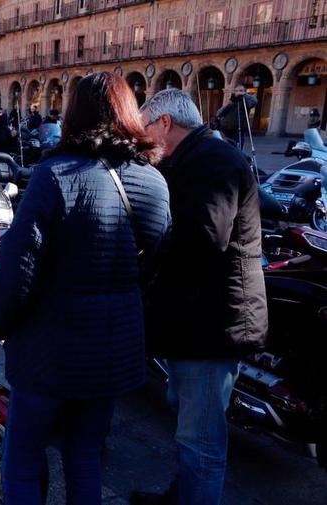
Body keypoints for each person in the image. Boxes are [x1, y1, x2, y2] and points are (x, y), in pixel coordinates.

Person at [0, 71, 171, 505]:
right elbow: (156, 259)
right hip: (111, 349)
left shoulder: (55, 175)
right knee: (86, 457)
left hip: (47, 349)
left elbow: (19, 266)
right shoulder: (153, 181)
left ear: (75, 112)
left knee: (22, 460)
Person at [130, 89, 267, 505]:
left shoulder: (212, 162)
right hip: (197, 320)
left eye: (145, 128)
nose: (142, 138)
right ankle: (181, 495)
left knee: (202, 441)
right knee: (189, 425)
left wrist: (147, 248)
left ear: (165, 124)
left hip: (213, 325)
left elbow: (204, 238)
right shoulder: (196, 158)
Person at [215, 84, 257, 150]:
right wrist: (228, 104)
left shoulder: (246, 101)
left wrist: (244, 95)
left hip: (238, 129)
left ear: (245, 91)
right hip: (226, 128)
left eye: (241, 90)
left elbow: (254, 101)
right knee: (227, 147)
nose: (238, 92)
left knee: (237, 147)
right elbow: (219, 113)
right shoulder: (232, 101)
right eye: (236, 91)